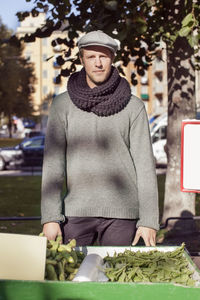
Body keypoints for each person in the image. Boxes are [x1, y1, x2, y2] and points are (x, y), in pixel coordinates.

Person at [41, 30, 159, 247]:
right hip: (75, 212)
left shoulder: (133, 107)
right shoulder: (62, 105)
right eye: (91, 57)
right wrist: (50, 217)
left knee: (118, 280)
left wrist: (149, 220)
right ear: (81, 60)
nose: (98, 63)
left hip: (123, 215)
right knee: (71, 278)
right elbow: (53, 166)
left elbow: (145, 167)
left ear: (112, 58)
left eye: (103, 56)